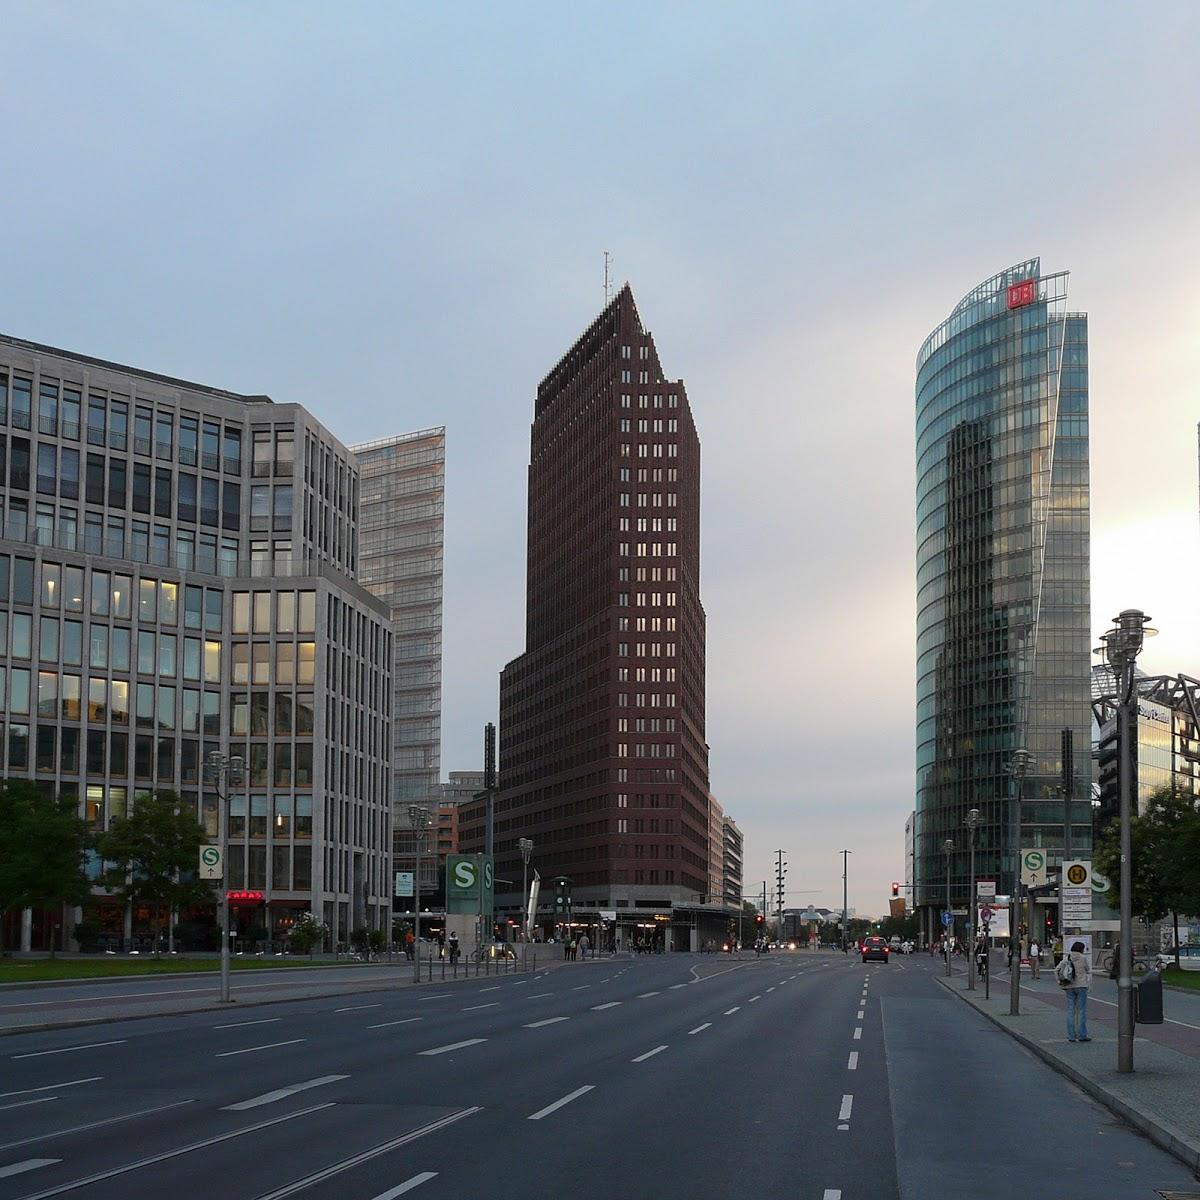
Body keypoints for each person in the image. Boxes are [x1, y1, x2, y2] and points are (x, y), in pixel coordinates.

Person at [1058, 939, 1091, 1042]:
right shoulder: (1083, 958)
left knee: (1070, 1010)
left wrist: (1060, 981)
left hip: (1069, 985)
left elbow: (1057, 970)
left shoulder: (1067, 958)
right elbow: (1088, 969)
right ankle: (1082, 1035)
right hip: (1081, 985)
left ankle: (1071, 1036)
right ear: (1081, 949)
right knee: (1081, 1011)